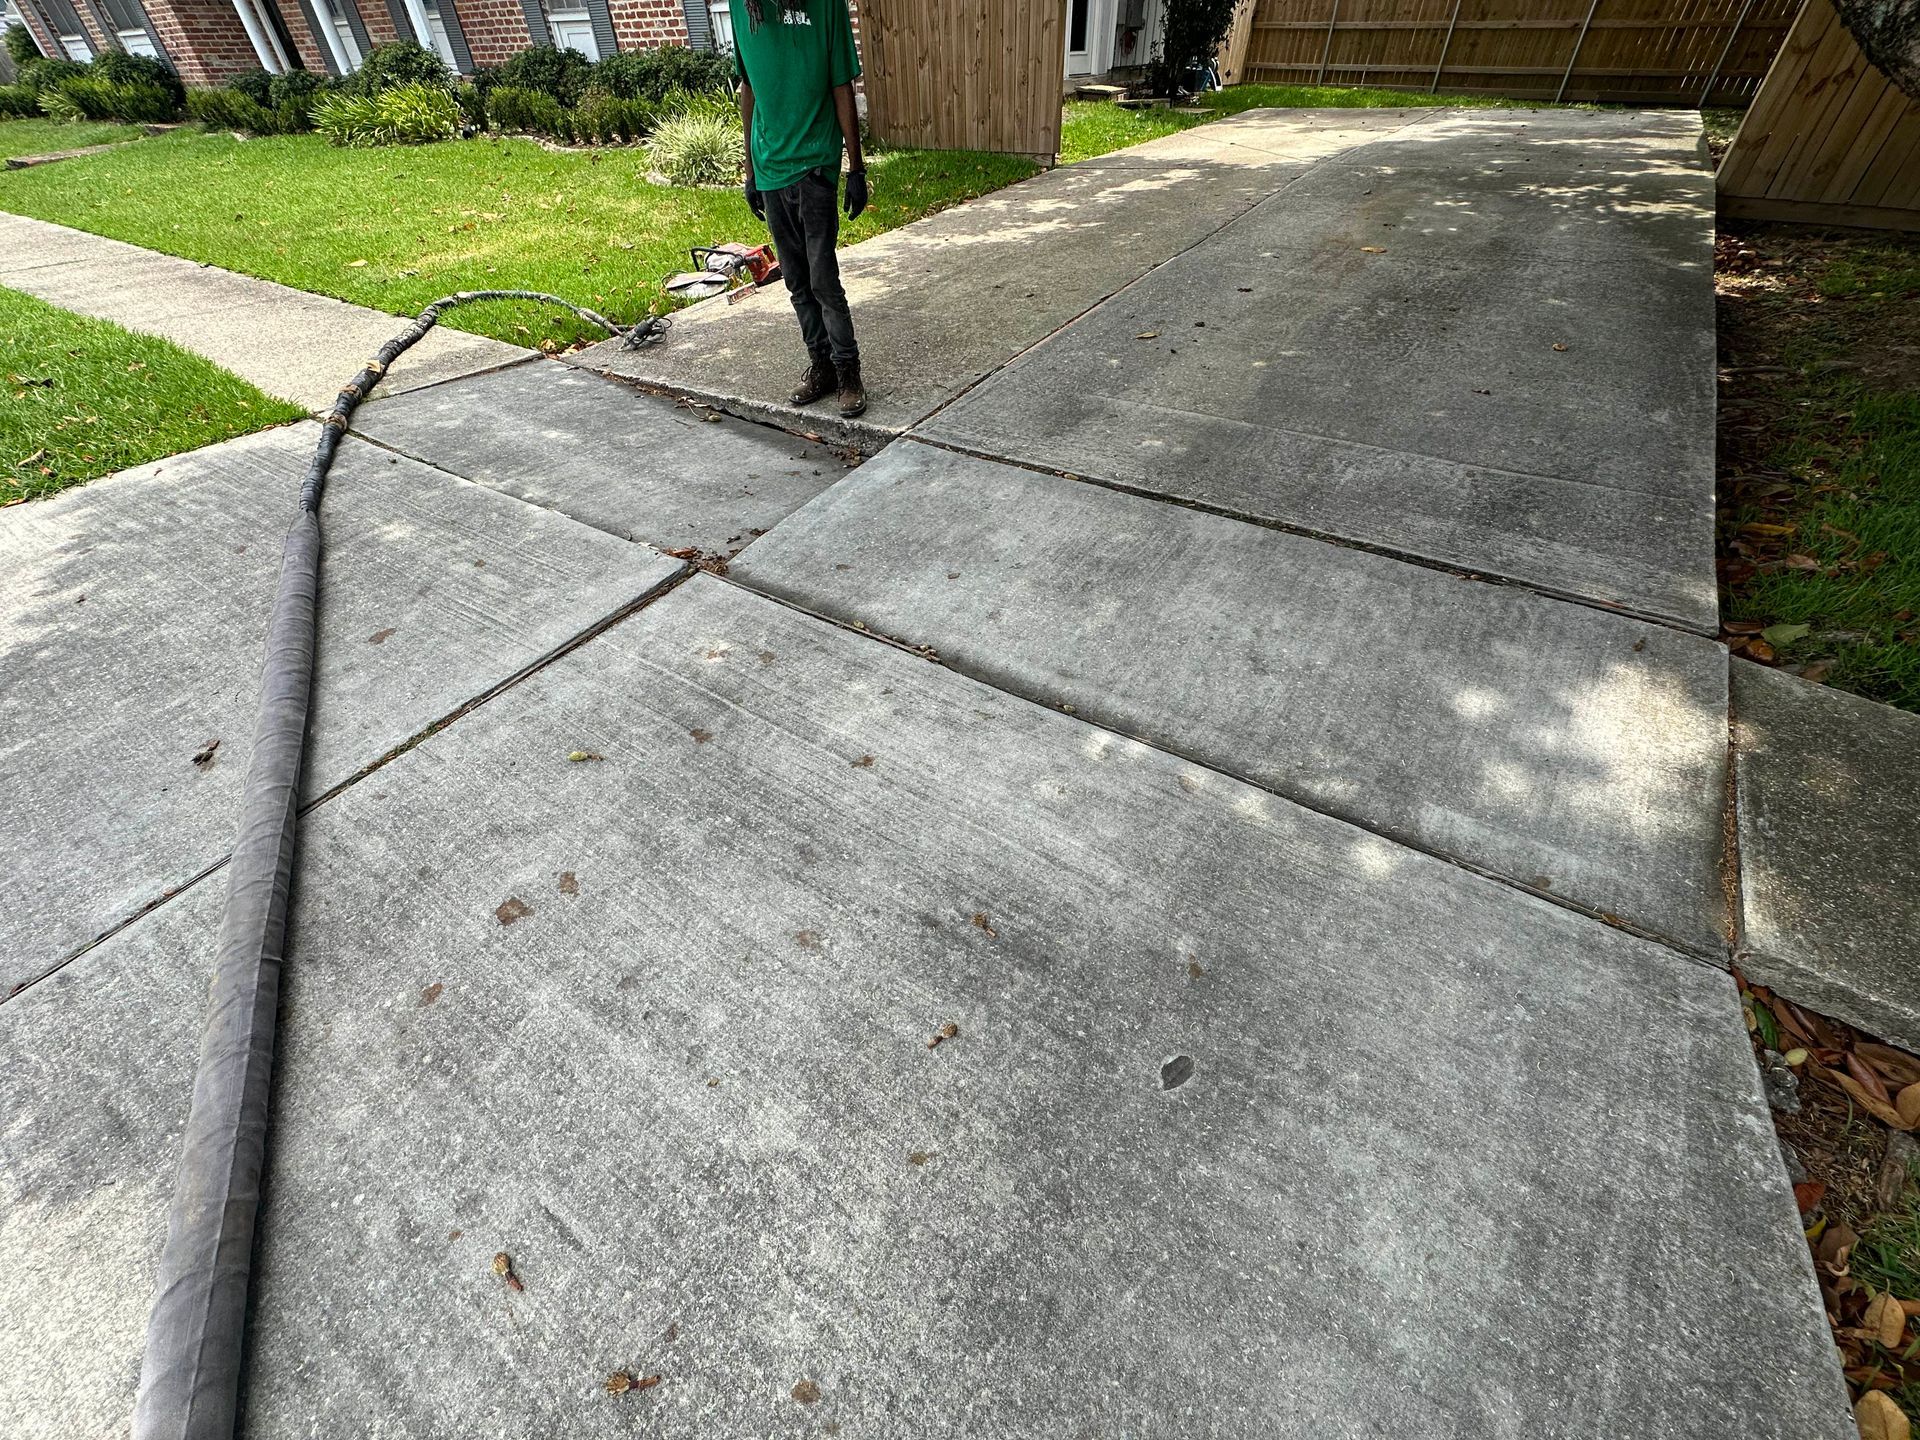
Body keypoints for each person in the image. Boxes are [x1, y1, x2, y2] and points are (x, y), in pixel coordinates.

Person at [732, 0, 868, 419]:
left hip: (815, 165)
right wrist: (750, 170)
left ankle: (849, 371)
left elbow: (841, 85)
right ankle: (822, 366)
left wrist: (855, 168)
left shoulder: (825, 5)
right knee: (796, 283)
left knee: (823, 280)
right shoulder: (742, 7)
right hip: (771, 169)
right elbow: (749, 87)